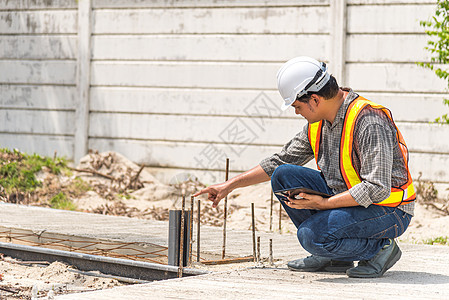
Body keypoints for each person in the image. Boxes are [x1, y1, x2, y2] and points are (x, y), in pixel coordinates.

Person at [194, 56, 415, 278]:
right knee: (283, 176)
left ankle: (381, 248)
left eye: (298, 106)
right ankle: (334, 254)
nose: (296, 112)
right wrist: (230, 185)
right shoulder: (318, 123)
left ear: (315, 100)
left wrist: (325, 204)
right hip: (348, 198)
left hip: (389, 209)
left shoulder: (369, 122)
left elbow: (377, 188)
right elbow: (279, 161)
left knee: (312, 237)